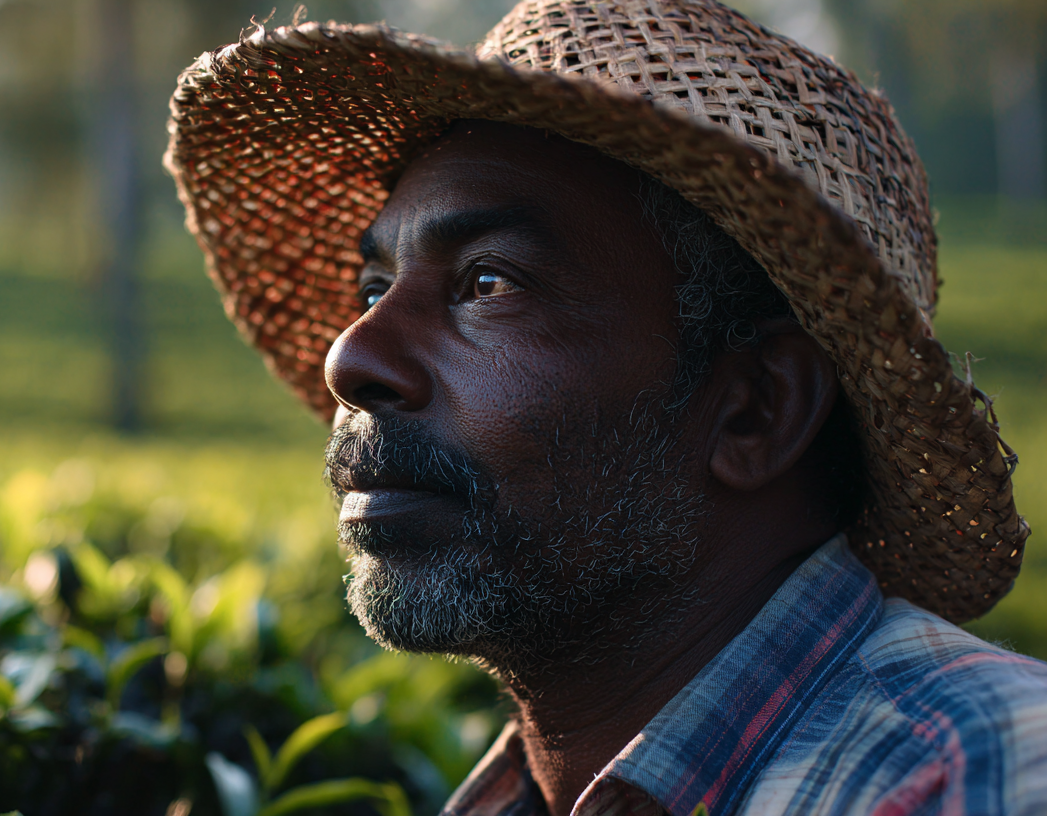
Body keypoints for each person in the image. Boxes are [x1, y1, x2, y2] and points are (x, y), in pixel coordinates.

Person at [165, 1, 1046, 813]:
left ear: (757, 411)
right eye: (373, 287)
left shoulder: (980, 773)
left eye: (487, 282)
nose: (350, 356)